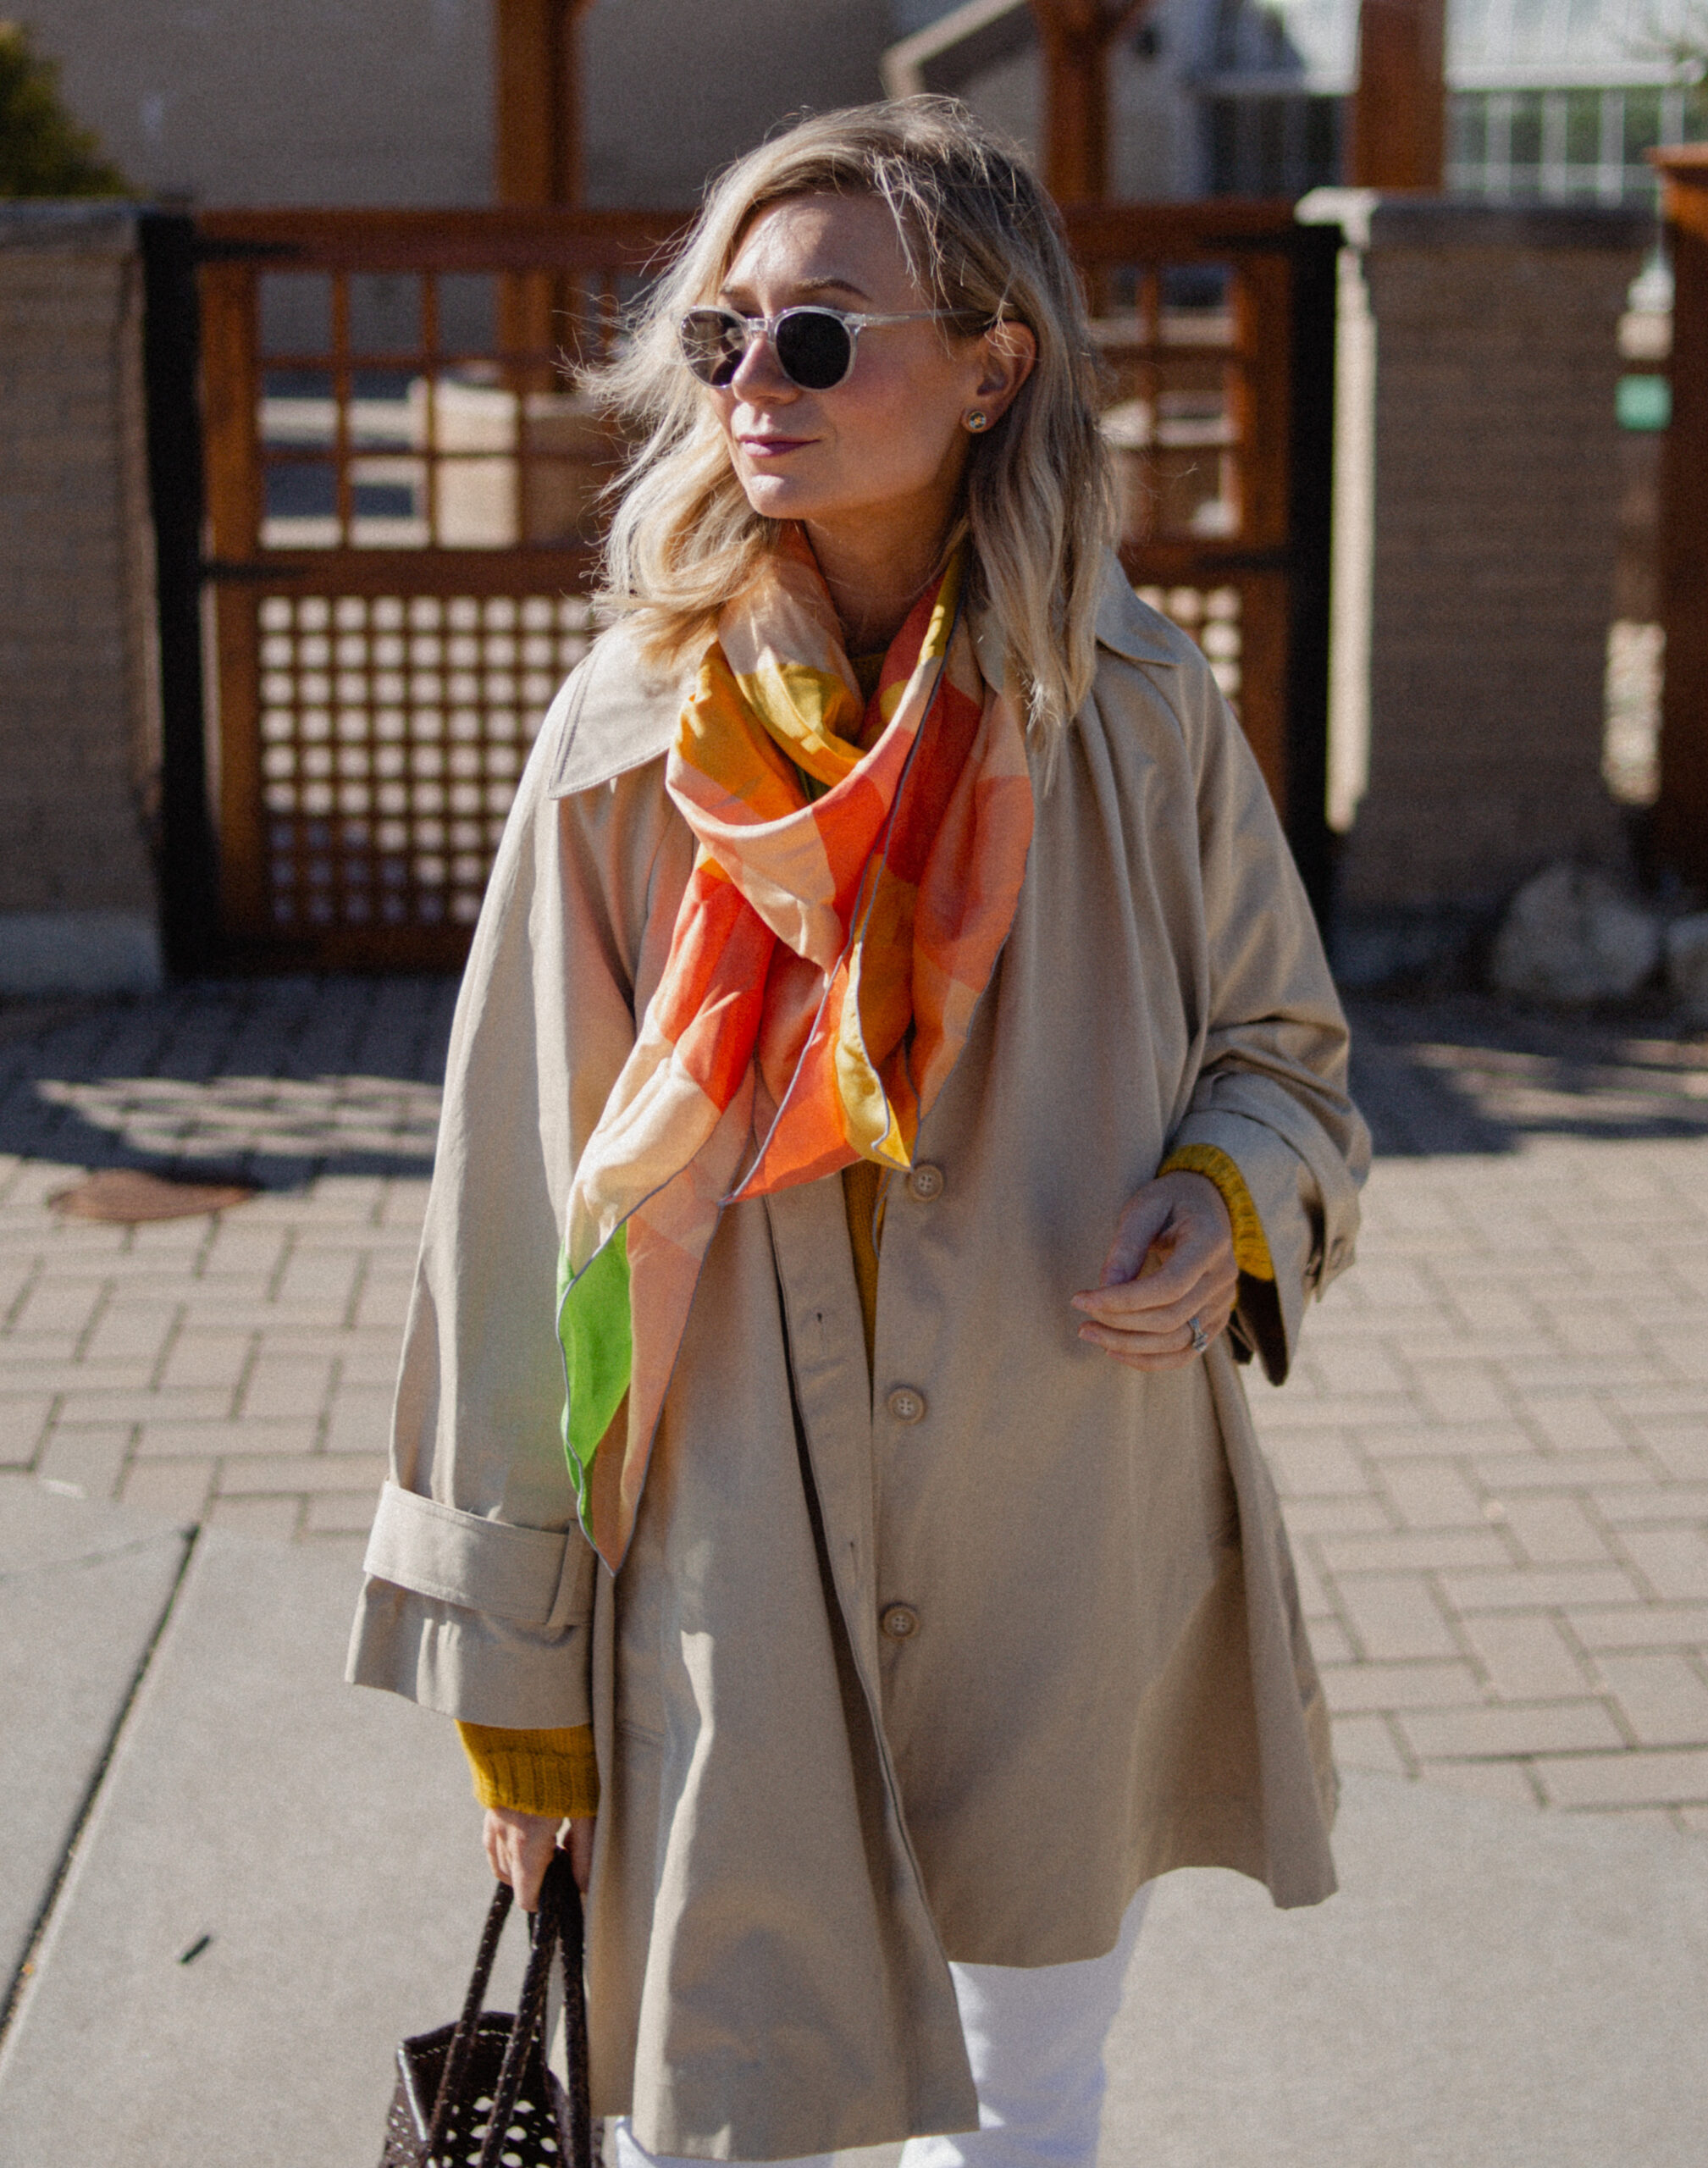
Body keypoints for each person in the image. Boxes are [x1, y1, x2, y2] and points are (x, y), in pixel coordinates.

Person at [349, 96, 1368, 2168]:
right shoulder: (627, 738)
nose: (752, 383)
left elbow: (1285, 1054)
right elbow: (507, 1219)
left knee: (1028, 2098)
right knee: (701, 2111)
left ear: (994, 363)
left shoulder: (1139, 709)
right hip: (716, 1543)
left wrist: (1225, 1194)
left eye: (816, 336)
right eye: (721, 337)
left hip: (1058, 1523)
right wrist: (513, 1660)